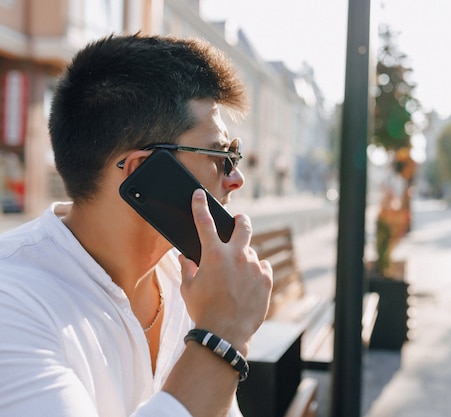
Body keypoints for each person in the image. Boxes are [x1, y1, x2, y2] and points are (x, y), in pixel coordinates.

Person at [0, 34, 273, 417]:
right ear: (144, 171)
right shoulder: (11, 301)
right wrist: (220, 337)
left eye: (236, 154)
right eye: (221, 155)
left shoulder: (193, 281)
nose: (235, 178)